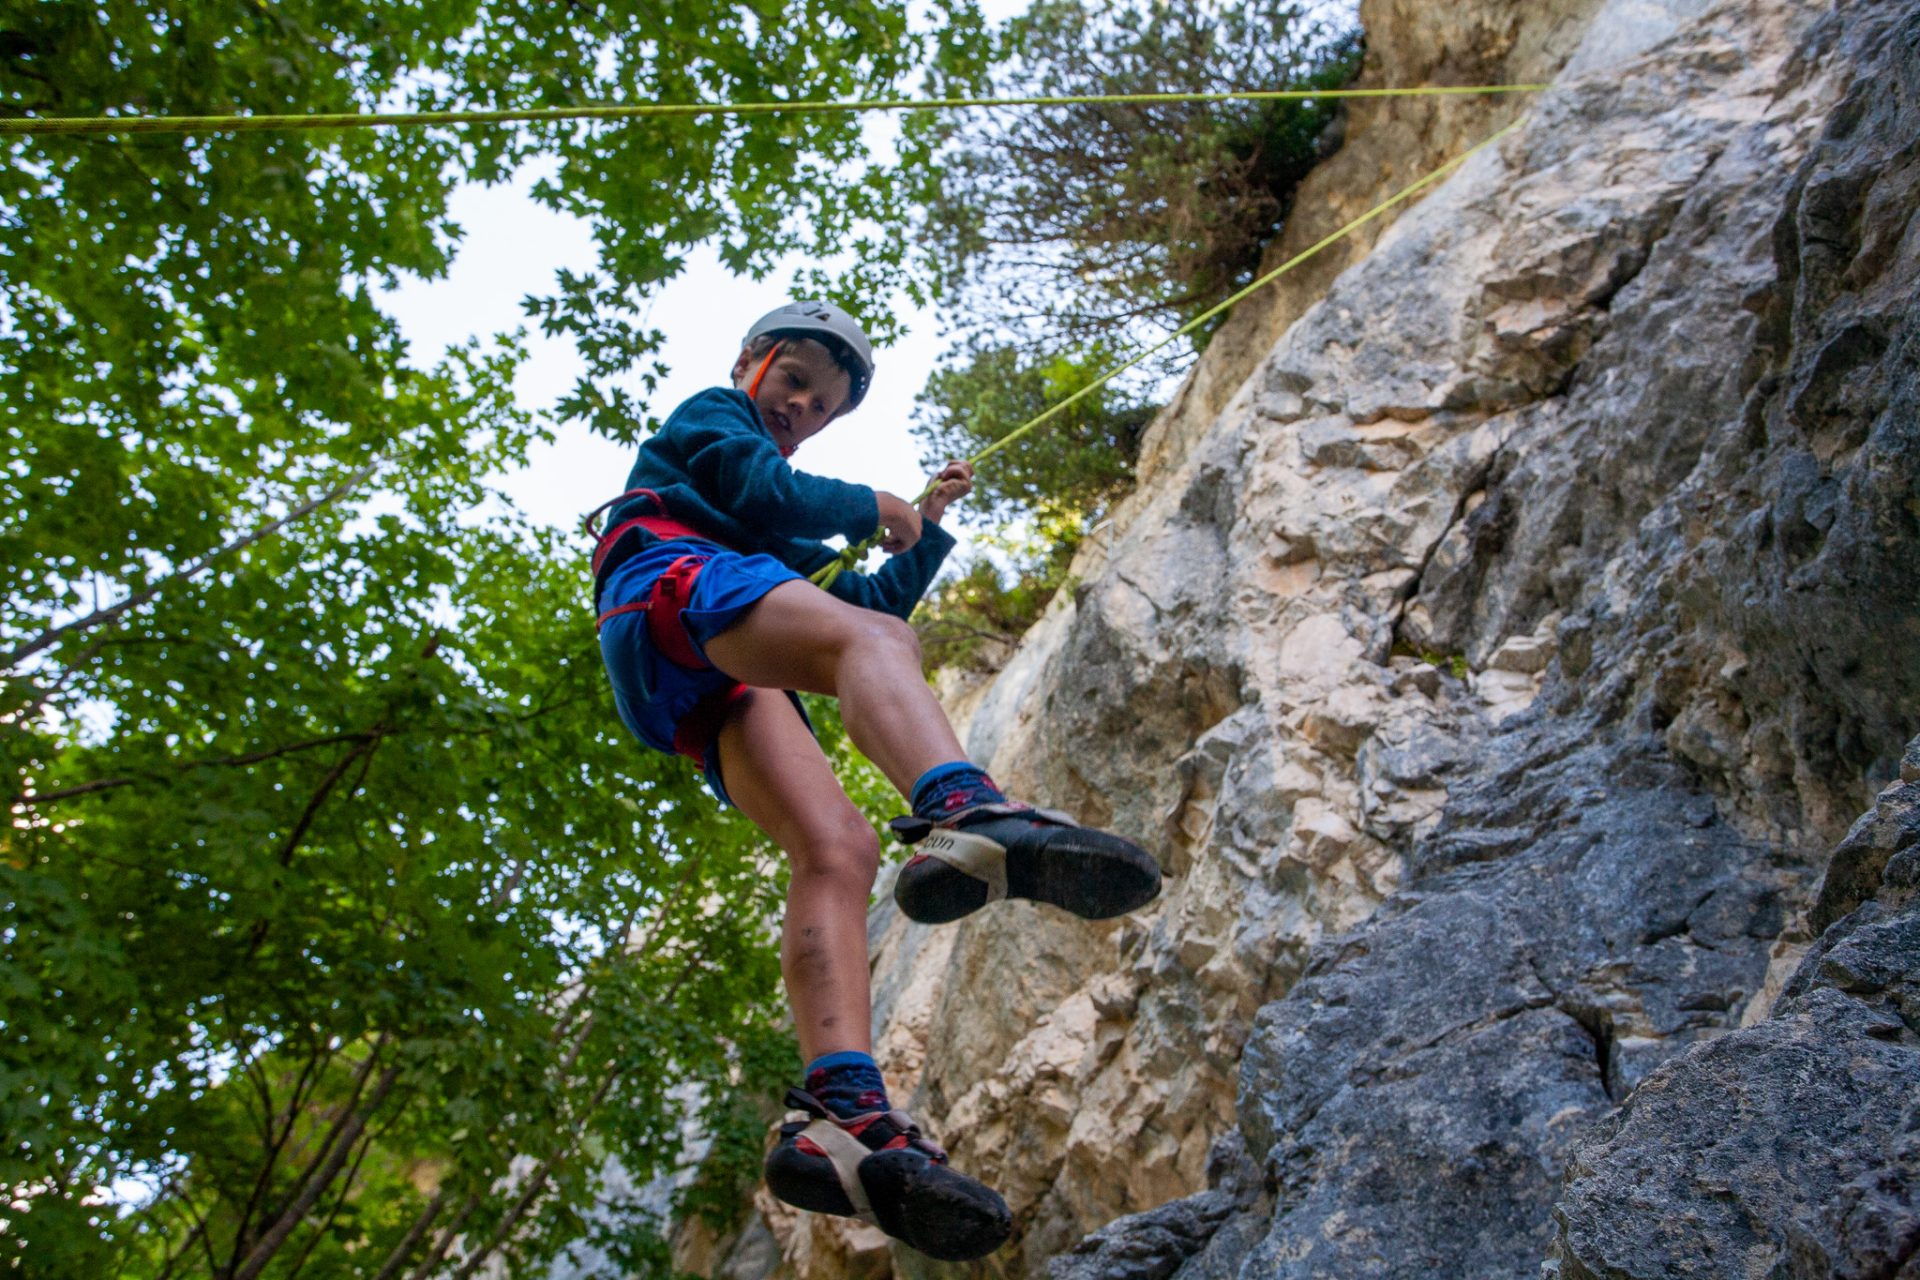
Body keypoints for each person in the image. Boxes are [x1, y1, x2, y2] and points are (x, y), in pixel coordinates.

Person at [588, 300, 1161, 1260]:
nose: (804, 406)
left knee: (838, 848)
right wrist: (872, 506)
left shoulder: (770, 524)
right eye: (796, 380)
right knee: (876, 645)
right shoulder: (710, 418)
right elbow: (760, 490)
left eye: (824, 407)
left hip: (692, 663)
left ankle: (839, 1112)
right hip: (666, 582)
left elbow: (859, 598)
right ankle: (964, 812)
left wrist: (924, 529)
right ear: (752, 362)